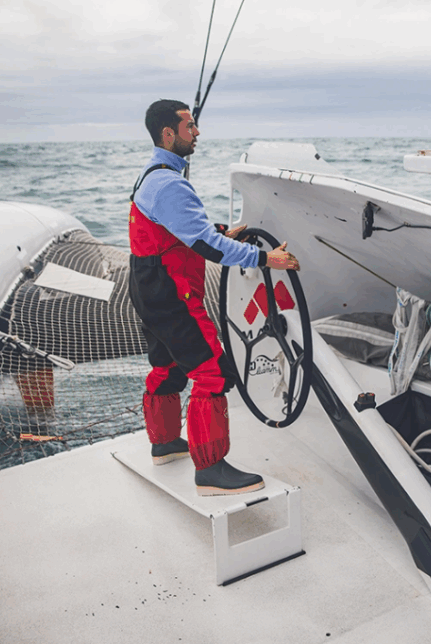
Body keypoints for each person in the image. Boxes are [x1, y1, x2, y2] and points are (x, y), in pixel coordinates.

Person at [128, 99, 300, 496]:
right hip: (172, 291)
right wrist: (265, 258)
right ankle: (211, 471)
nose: (197, 133)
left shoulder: (151, 174)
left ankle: (165, 444)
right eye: (190, 126)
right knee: (212, 372)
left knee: (167, 364)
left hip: (147, 287)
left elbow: (176, 228)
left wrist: (220, 229)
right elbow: (208, 248)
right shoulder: (170, 183)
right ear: (168, 133)